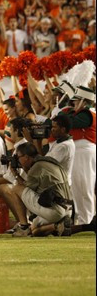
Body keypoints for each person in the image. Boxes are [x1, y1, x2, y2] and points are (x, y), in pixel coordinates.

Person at [2, 142, 72, 237]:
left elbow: (23, 187)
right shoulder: (48, 161)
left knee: (15, 188)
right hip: (67, 209)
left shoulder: (37, 167)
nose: (17, 160)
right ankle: (57, 226)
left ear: (26, 157)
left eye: (18, 157)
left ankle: (23, 227)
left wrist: (15, 174)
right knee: (34, 230)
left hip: (55, 210)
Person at [60, 85, 96, 227]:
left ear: (84, 101)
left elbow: (70, 122)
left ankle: (87, 221)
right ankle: (83, 220)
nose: (72, 104)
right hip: (79, 150)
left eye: (76, 101)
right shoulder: (80, 113)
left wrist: (63, 114)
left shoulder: (88, 113)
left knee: (85, 186)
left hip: (85, 151)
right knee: (77, 187)